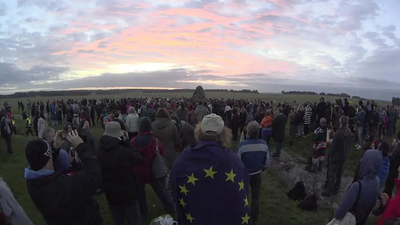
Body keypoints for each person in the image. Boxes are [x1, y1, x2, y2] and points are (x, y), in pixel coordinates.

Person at [170, 114, 251, 225]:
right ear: (224, 134)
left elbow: (172, 185)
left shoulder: (183, 159)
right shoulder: (234, 162)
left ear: (199, 131)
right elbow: (243, 190)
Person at [24, 130, 103, 225]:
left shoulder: (33, 181)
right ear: (48, 158)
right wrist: (81, 146)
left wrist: (54, 148)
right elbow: (94, 175)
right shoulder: (64, 185)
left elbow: (43, 160)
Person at [97, 122, 143, 225]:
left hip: (111, 192)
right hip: (127, 193)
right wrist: (127, 142)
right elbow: (138, 158)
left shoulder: (99, 150)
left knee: (118, 219)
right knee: (134, 220)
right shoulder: (122, 151)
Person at [131, 117, 176, 218]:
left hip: (138, 171)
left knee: (140, 193)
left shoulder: (133, 141)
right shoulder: (155, 141)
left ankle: (144, 211)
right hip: (153, 171)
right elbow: (161, 154)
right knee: (161, 191)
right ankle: (170, 207)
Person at [334, 150, 382, 225]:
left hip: (350, 220)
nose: (361, 160)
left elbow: (339, 215)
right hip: (362, 219)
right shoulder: (377, 181)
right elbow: (373, 203)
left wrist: (335, 212)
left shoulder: (357, 186)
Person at [237, 121, 270, 224]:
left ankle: (244, 217)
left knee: (244, 196)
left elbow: (237, 162)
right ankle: (254, 218)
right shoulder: (264, 145)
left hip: (245, 175)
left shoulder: (242, 145)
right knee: (256, 197)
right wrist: (261, 169)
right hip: (257, 174)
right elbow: (267, 163)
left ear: (248, 132)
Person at [323, 116, 352, 197]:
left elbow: (333, 147)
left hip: (335, 158)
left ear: (340, 122)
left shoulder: (339, 133)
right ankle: (336, 189)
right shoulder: (349, 132)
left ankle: (328, 191)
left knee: (332, 174)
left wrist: (328, 133)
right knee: (339, 174)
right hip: (343, 157)